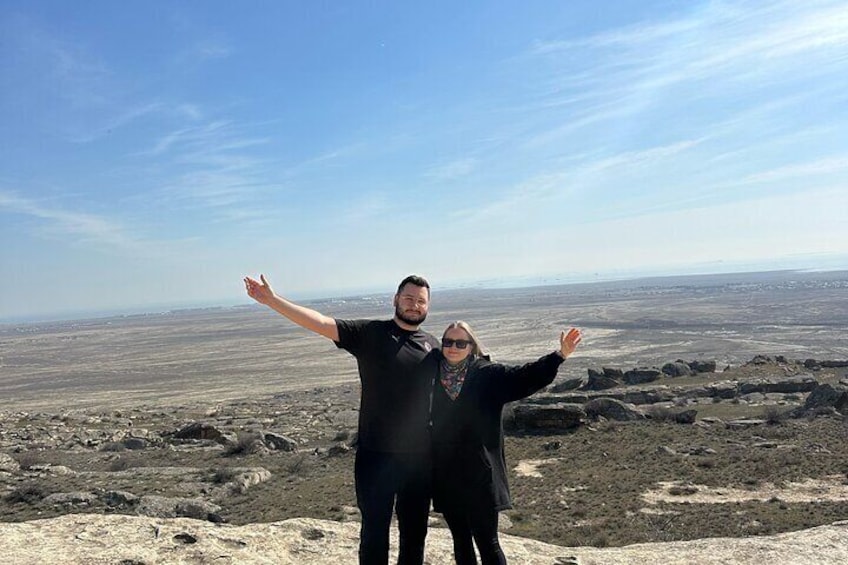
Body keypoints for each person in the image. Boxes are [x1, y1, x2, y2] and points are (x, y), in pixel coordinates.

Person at [244, 274, 439, 565]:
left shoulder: (434, 345)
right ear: (395, 300)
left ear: (427, 306)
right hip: (376, 456)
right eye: (409, 298)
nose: (414, 305)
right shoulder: (371, 333)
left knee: (414, 533)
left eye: (420, 301)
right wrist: (272, 300)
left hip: (419, 459)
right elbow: (321, 323)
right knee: (374, 532)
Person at [430, 321, 582, 565]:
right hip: (446, 474)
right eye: (448, 342)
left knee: (487, 542)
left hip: (480, 474)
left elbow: (523, 376)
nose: (453, 347)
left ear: (472, 346)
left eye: (461, 343)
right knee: (460, 540)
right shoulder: (433, 374)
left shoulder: (486, 374)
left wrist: (559, 355)